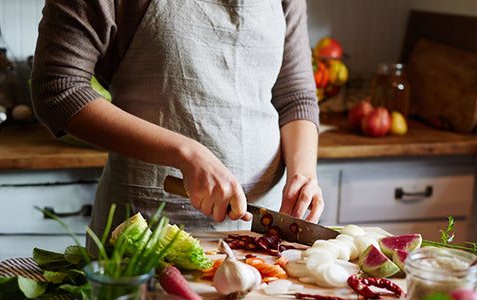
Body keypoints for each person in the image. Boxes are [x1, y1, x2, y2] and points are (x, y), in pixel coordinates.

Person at [31, 0, 324, 241]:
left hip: (263, 227)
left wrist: (303, 174)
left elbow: (294, 95)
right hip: (147, 229)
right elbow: (59, 89)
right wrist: (186, 153)